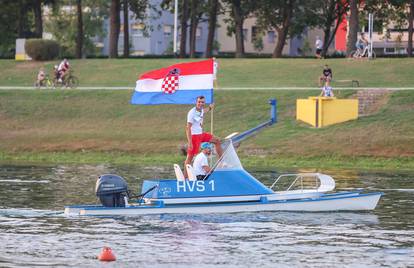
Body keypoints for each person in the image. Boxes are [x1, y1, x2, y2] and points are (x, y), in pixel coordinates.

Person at [184, 96, 222, 177]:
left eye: (202, 102)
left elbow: (204, 111)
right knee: (189, 158)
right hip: (194, 136)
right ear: (196, 102)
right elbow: (188, 128)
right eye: (199, 102)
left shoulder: (201, 110)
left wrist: (210, 108)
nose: (201, 103)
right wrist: (190, 142)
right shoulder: (192, 112)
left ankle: (221, 162)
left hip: (201, 134)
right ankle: (184, 179)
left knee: (217, 141)